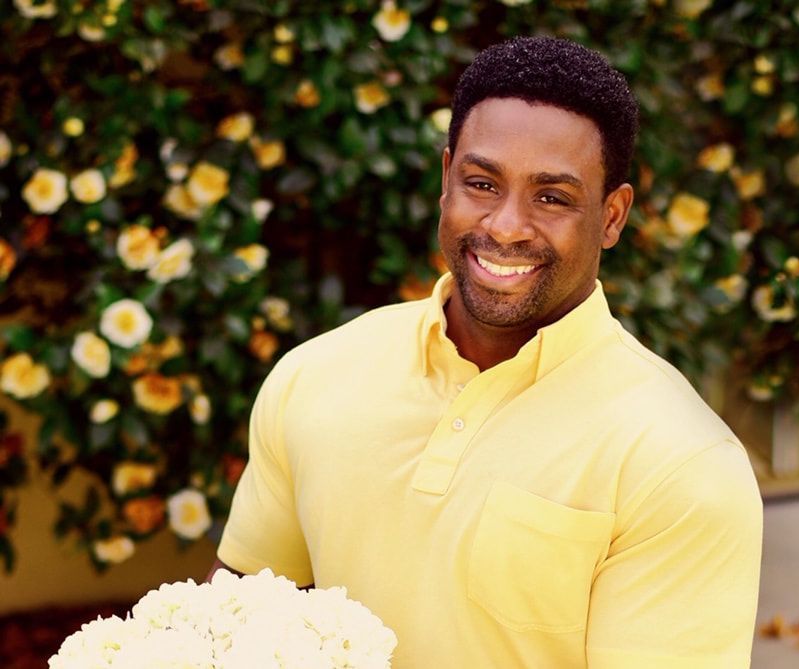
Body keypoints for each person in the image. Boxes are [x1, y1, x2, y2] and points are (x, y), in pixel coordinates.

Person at [210, 36, 762, 668]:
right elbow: (234, 625)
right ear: (446, 180)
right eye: (481, 183)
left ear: (612, 216)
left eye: (552, 197)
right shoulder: (315, 375)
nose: (505, 226)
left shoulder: (681, 463)